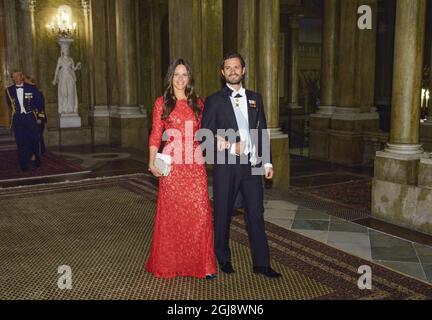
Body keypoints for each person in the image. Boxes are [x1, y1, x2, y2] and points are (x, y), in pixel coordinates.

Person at [201, 52, 282, 278]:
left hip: (253, 166)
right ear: (222, 72)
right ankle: (223, 257)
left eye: (236, 67)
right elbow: (204, 135)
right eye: (228, 68)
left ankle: (262, 264)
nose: (233, 71)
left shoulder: (255, 98)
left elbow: (261, 131)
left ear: (243, 70)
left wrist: (267, 161)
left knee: (255, 214)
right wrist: (227, 145)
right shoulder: (214, 100)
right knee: (223, 212)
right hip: (227, 166)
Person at [145, 58, 217, 279]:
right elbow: (156, 134)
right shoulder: (162, 103)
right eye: (176, 74)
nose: (180, 79)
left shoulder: (199, 103)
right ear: (170, 77)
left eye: (184, 74)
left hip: (195, 164)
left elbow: (208, 131)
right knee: (172, 215)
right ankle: (170, 264)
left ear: (189, 78)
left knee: (200, 212)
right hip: (172, 166)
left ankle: (203, 265)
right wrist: (151, 161)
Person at [5, 70, 43, 171]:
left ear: (22, 76)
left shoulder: (31, 87)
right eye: (13, 77)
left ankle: (37, 160)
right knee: (21, 142)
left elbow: (39, 103)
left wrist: (40, 117)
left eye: (17, 76)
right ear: (12, 78)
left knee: (34, 140)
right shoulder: (8, 90)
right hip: (18, 119)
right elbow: (10, 105)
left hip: (30, 117)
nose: (16, 78)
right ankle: (23, 165)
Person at [52, 42, 81, 114]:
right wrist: (55, 79)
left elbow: (73, 68)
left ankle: (70, 109)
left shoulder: (71, 59)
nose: (66, 51)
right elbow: (56, 69)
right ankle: (64, 109)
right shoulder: (60, 59)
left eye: (67, 50)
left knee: (71, 93)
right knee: (64, 93)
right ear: (62, 51)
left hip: (70, 77)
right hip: (63, 78)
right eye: (65, 50)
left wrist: (77, 66)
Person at [24, 75, 47, 156]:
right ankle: (35, 152)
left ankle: (40, 152)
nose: (25, 84)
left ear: (32, 83)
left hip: (38, 118)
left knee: (38, 136)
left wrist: (40, 118)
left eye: (27, 82)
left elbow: (41, 107)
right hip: (31, 118)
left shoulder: (38, 92)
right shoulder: (28, 92)